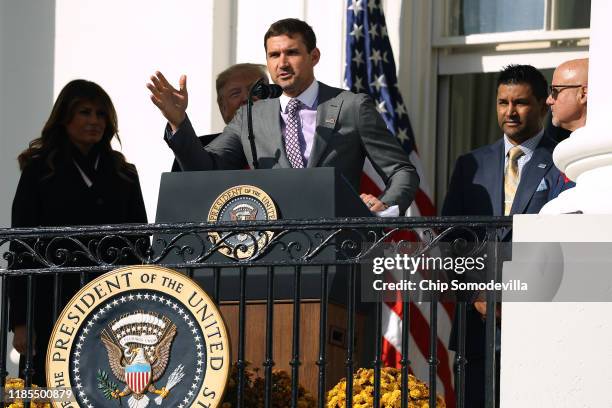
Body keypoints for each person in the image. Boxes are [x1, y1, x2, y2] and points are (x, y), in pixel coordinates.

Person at [148, 18, 418, 213]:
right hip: (272, 251)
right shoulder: (250, 115)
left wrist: (386, 204)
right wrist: (178, 121)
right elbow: (205, 171)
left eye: (292, 53)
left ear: (314, 56)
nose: (282, 63)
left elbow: (402, 171)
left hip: (337, 246)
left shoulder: (351, 106)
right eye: (274, 55)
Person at [8, 79, 148, 386]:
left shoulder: (125, 173)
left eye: (101, 114)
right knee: (48, 388)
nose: (95, 121)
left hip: (110, 301)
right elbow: (20, 246)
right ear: (65, 117)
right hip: (49, 301)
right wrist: (20, 320)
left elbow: (139, 245)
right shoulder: (39, 169)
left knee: (106, 388)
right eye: (85, 112)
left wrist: (140, 307)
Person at [442, 64, 561, 408]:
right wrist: (478, 294)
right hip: (477, 328)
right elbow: (451, 238)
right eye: (502, 102)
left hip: (539, 322)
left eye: (521, 102)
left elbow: (562, 241)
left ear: (543, 104)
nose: (510, 112)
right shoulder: (470, 164)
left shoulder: (563, 160)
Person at [170, 63, 269, 171]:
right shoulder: (197, 150)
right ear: (223, 107)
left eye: (256, 90)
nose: (246, 97)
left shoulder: (288, 135)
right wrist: (178, 121)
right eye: (235, 94)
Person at [547, 58, 589, 196]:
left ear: (583, 94)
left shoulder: (602, 151)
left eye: (555, 91)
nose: (549, 100)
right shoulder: (568, 151)